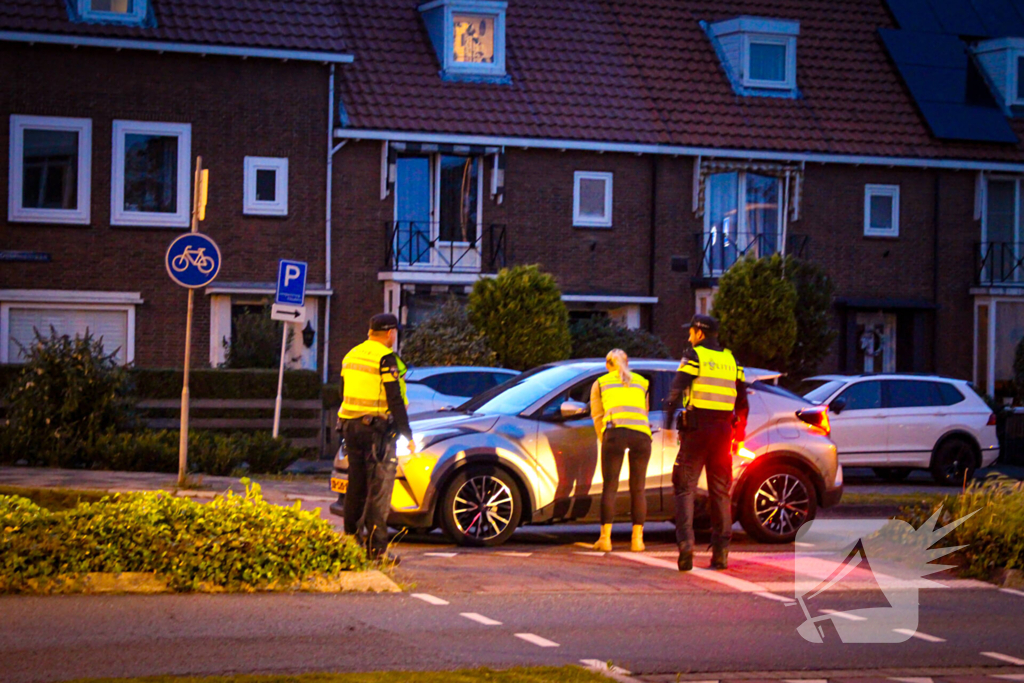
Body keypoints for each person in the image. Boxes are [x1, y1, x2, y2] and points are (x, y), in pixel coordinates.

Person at [664, 314, 748, 572]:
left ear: (700, 333)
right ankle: (721, 553)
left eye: (691, 331)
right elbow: (743, 403)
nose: (689, 336)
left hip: (696, 431)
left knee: (685, 487)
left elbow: (675, 391)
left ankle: (686, 546)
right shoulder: (732, 360)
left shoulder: (694, 356)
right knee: (720, 492)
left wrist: (668, 424)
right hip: (723, 432)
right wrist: (739, 435)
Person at [337, 313, 412, 562]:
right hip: (375, 433)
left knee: (356, 488)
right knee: (379, 491)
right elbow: (394, 398)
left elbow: (342, 391)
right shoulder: (385, 358)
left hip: (350, 428)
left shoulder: (351, 354)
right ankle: (378, 552)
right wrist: (406, 433)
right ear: (390, 333)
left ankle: (350, 545)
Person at [589, 349, 653, 553]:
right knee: (638, 488)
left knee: (610, 486)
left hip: (615, 433)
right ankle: (637, 541)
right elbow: (645, 411)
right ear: (627, 362)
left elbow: (597, 416)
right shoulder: (642, 382)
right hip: (642, 436)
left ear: (608, 365)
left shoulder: (601, 382)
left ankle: (605, 539)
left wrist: (604, 439)